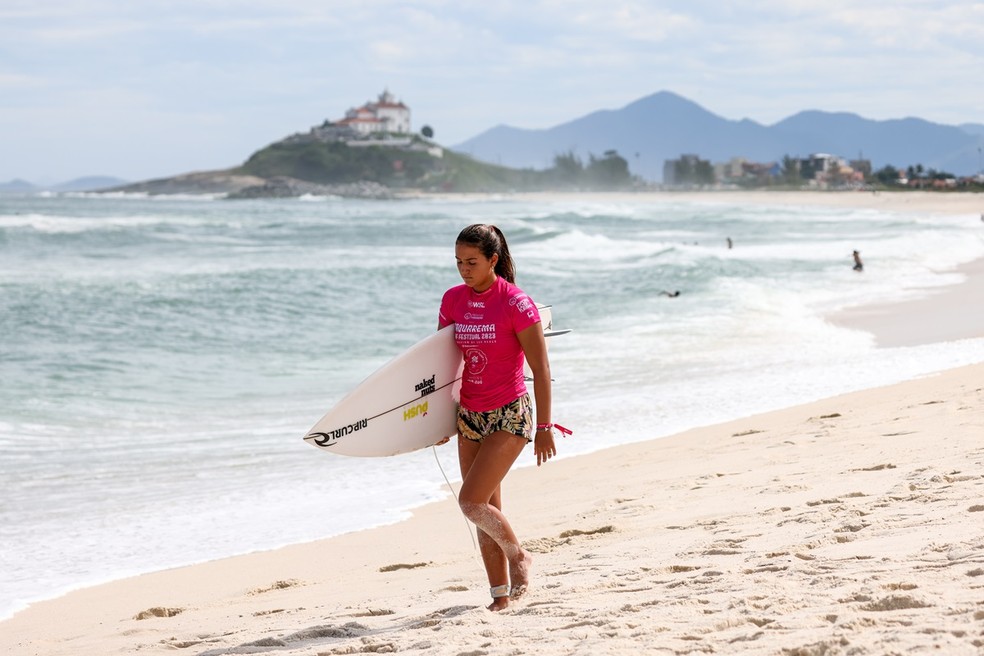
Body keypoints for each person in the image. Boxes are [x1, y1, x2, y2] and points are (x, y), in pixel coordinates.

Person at [436, 224, 559, 612]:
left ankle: (519, 556)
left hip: (510, 413)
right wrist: (439, 420)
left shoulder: (516, 303)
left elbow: (540, 368)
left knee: (471, 502)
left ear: (493, 259)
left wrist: (544, 427)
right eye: (458, 262)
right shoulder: (453, 300)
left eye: (472, 262)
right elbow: (444, 366)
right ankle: (499, 599)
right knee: (487, 510)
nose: (463, 270)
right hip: (469, 415)